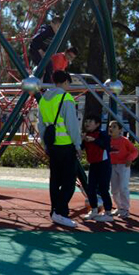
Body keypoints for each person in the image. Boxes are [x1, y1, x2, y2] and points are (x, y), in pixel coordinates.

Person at [37, 70, 82, 228]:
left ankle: (54, 210)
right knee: (69, 182)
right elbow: (72, 125)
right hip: (66, 145)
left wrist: (45, 144)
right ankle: (61, 212)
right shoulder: (66, 98)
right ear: (64, 82)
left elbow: (41, 125)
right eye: (68, 83)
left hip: (53, 146)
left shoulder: (43, 100)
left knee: (55, 181)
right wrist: (77, 144)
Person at [81, 115, 114, 222]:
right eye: (86, 120)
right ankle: (94, 210)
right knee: (90, 188)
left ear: (97, 124)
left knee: (104, 189)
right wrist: (81, 140)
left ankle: (108, 213)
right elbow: (81, 148)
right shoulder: (86, 135)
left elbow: (106, 146)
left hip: (104, 164)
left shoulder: (102, 133)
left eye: (90, 120)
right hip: (93, 164)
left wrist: (94, 140)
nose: (87, 123)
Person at [108, 121, 138, 218]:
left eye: (114, 127)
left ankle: (125, 209)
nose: (111, 128)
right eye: (110, 126)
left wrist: (130, 158)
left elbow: (134, 151)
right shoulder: (107, 140)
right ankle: (119, 207)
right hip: (112, 166)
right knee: (114, 189)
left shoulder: (124, 140)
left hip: (123, 166)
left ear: (120, 130)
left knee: (123, 187)